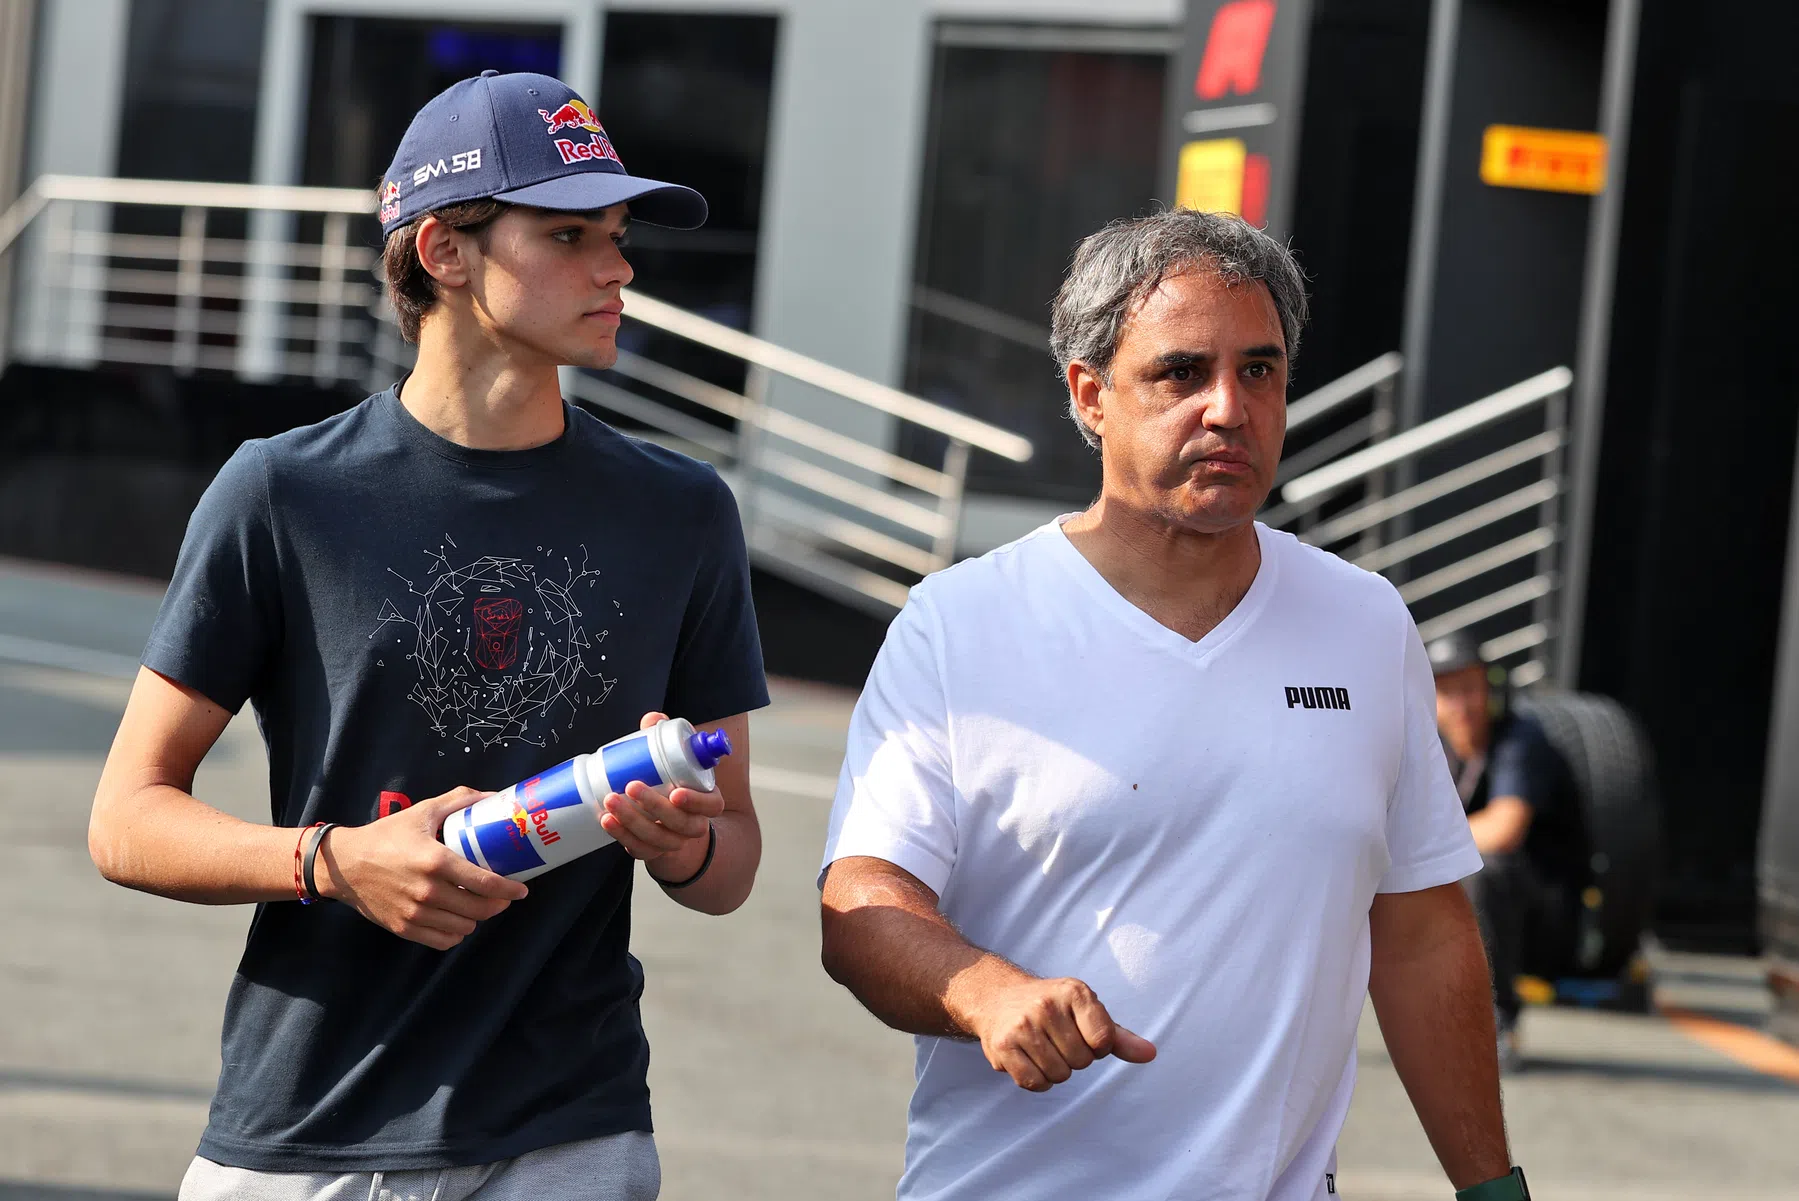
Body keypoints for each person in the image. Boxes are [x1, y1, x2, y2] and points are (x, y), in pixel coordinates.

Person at [87, 71, 768, 1200]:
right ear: (444, 251)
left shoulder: (683, 511)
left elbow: (731, 859)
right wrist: (332, 863)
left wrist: (678, 840)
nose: (617, 268)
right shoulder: (282, 493)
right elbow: (125, 818)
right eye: (567, 234)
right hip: (308, 1120)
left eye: (616, 234)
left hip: (572, 1130)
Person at [818, 210, 1534, 1201]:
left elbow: (1418, 931)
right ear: (1089, 394)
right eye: (1179, 372)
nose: (1227, 407)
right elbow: (858, 903)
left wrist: (1489, 1187)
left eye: (1259, 371)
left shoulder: (1363, 624)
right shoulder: (963, 623)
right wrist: (985, 992)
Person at [1428, 630, 1587, 1071]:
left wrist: (1410, 845)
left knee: (1486, 869)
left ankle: (1497, 1022)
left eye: (1469, 688)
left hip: (1546, 917)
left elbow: (1504, 830)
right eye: (1446, 691)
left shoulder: (1521, 739)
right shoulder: (1429, 746)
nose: (1460, 703)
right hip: (1469, 912)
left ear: (1490, 690)